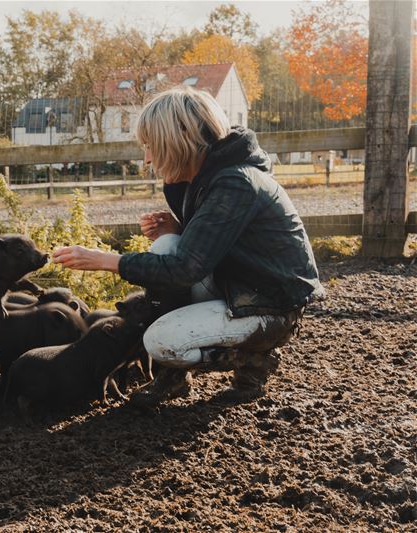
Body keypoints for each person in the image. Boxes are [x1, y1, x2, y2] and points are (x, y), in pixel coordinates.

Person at [52, 86, 324, 411]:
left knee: (161, 342)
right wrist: (179, 230)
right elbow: (209, 248)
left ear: (180, 137)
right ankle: (174, 379)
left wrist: (103, 260)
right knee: (167, 243)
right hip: (237, 286)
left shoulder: (235, 182)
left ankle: (255, 358)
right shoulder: (203, 178)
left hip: (270, 306)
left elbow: (186, 269)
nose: (148, 159)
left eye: (151, 146)